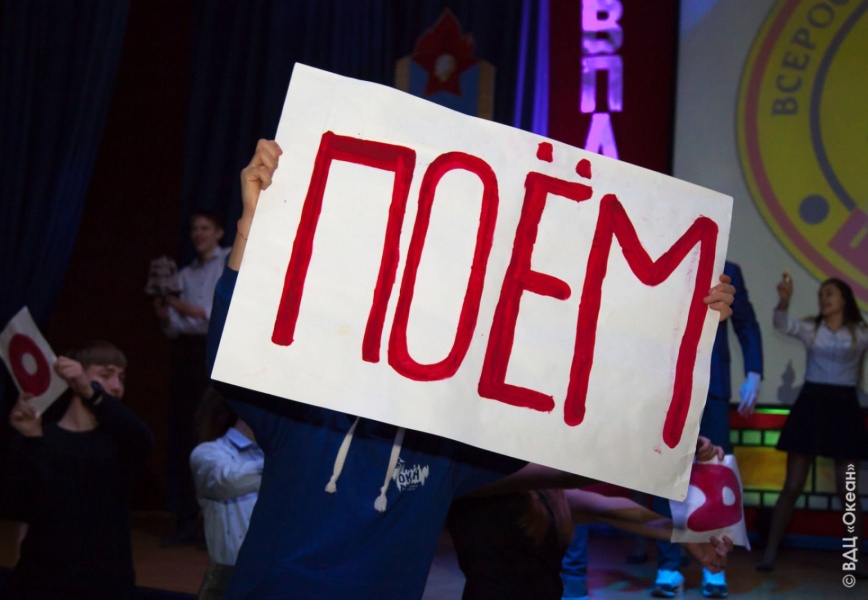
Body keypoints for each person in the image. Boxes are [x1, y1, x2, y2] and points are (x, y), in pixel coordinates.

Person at [208, 139, 737, 599]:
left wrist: (681, 319)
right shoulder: (301, 416)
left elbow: (578, 454)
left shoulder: (444, 455)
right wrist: (249, 228)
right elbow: (232, 353)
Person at [560, 260, 762, 599]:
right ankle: (669, 565)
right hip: (662, 382)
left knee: (714, 471)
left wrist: (754, 371)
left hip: (711, 383)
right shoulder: (656, 257)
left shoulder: (727, 266)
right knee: (668, 474)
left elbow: (746, 323)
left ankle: (714, 567)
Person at [448, 438, 728, 600]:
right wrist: (671, 451)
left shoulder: (546, 493)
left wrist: (686, 535)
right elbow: (568, 475)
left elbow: (611, 511)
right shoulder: (471, 475)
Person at [0, 341, 154, 600]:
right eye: (105, 375)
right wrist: (30, 442)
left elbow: (143, 439)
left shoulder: (119, 442)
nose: (116, 386)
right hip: (44, 584)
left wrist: (91, 392)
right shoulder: (41, 439)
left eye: (121, 378)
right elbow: (5, 505)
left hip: (106, 587)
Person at [756, 275, 868, 573]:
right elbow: (782, 324)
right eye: (821, 295)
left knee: (848, 490)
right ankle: (769, 554)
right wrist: (784, 300)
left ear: (844, 299)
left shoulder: (860, 332)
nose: (823, 299)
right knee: (792, 485)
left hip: (845, 407)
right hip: (811, 404)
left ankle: (854, 560)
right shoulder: (811, 328)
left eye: (829, 294)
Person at [153, 209, 231, 546]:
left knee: (213, 429)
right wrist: (164, 313)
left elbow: (224, 310)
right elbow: (174, 329)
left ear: (219, 232)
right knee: (187, 431)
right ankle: (187, 518)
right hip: (187, 355)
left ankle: (214, 523)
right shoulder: (184, 274)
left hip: (216, 354)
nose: (198, 234)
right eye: (194, 229)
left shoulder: (228, 261)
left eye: (204, 228)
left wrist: (193, 310)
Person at [190, 387, 264, 600]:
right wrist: (286, 461)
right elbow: (226, 480)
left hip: (271, 577)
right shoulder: (209, 453)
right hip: (225, 584)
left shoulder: (275, 457)